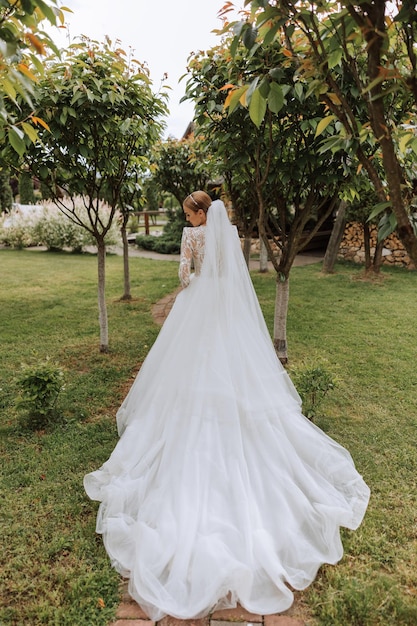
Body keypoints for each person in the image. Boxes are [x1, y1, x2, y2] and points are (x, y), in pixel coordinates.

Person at [84, 191, 370, 621]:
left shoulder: (191, 236)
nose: (187, 218)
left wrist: (190, 271)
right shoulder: (232, 234)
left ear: (200, 213)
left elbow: (186, 276)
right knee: (230, 369)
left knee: (190, 370)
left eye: (189, 213)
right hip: (227, 313)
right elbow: (232, 275)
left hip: (198, 307)